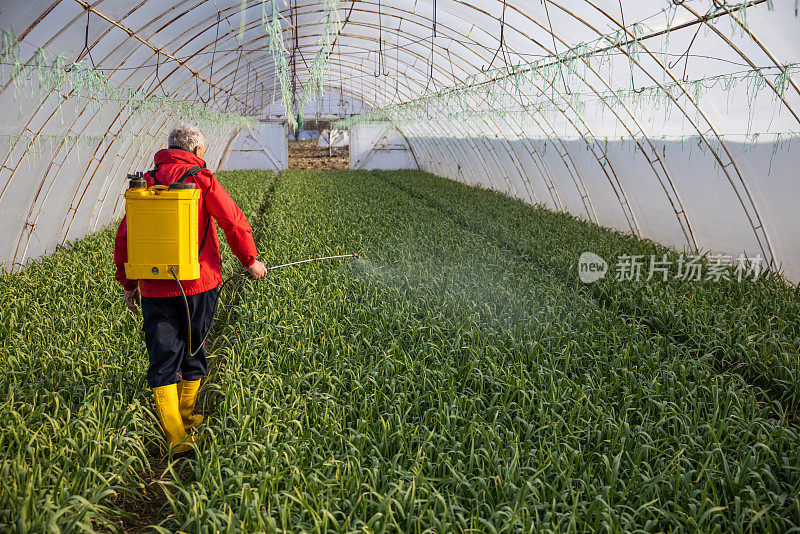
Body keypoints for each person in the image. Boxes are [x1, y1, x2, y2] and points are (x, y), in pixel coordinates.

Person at [114, 123, 268, 454]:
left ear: (169, 148)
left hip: (155, 288)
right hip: (200, 284)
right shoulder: (200, 179)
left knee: (163, 357)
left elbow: (125, 236)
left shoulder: (147, 183)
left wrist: (129, 284)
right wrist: (250, 261)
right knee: (195, 350)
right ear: (197, 151)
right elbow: (233, 221)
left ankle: (175, 434)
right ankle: (186, 417)